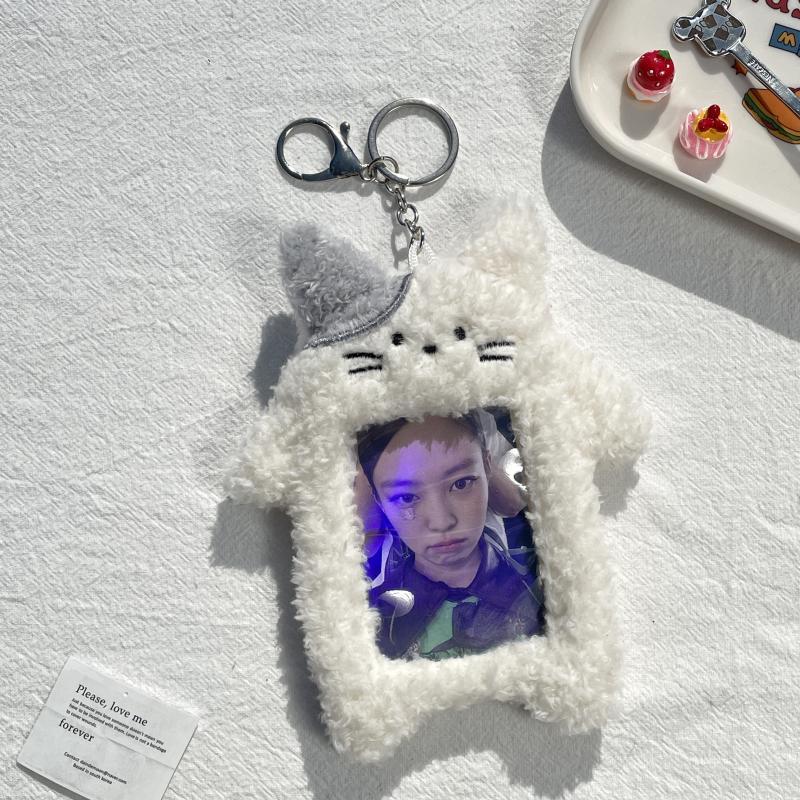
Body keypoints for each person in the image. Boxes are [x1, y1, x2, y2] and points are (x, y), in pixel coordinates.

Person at [355, 411, 545, 661]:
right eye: (406, 497)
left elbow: (513, 504)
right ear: (380, 500)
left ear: (487, 466)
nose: (442, 521)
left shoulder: (543, 586)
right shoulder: (372, 623)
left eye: (461, 483)